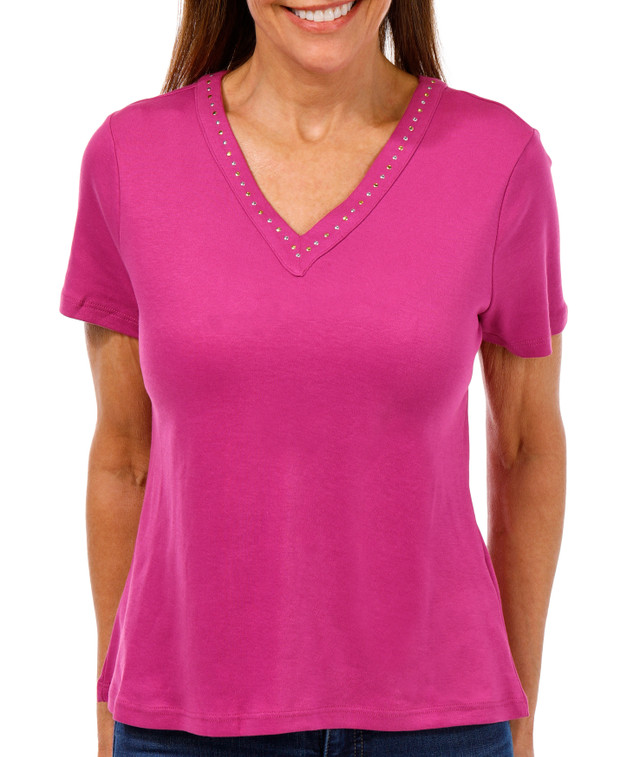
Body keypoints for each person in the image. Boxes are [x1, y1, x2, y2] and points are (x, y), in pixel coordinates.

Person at [58, 1, 569, 756]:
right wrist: (110, 704)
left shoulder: (499, 159)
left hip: (438, 725)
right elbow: (123, 458)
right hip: (184, 725)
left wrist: (519, 714)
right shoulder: (128, 158)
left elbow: (526, 448)